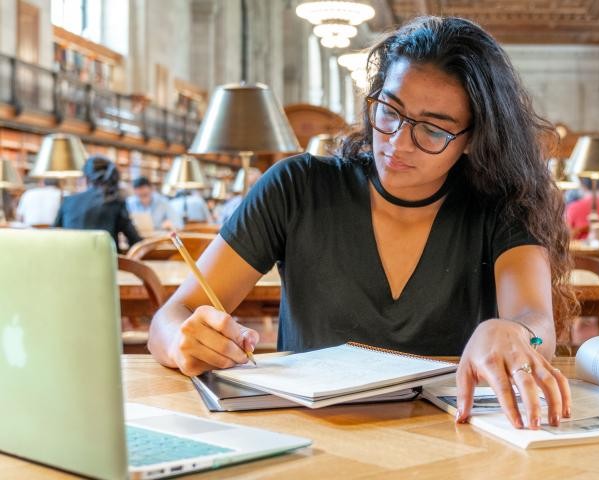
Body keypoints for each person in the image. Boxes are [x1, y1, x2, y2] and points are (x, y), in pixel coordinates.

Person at [149, 17, 577, 429]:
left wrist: (515, 333)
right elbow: (171, 316)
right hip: (311, 436)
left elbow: (537, 323)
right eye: (389, 110)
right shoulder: (296, 187)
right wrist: (181, 340)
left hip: (452, 436)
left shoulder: (501, 206)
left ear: (472, 140)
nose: (396, 141)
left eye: (432, 130)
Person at [54, 156, 143, 249]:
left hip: (70, 261)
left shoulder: (68, 201)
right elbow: (135, 241)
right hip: (106, 263)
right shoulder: (115, 201)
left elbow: (53, 236)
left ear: (86, 178)